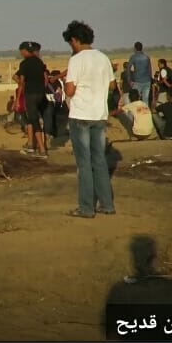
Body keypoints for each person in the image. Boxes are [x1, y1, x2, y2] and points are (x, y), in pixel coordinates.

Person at [62, 20, 115, 218]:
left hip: (80, 115)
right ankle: (107, 204)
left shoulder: (76, 60)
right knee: (100, 161)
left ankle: (86, 208)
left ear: (75, 40)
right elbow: (111, 86)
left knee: (84, 164)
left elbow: (70, 90)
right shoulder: (103, 58)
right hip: (99, 115)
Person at [17, 41, 47, 158]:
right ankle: (30, 145)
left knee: (34, 120)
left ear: (24, 51)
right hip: (40, 94)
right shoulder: (39, 62)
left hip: (31, 94)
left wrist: (17, 99)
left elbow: (22, 82)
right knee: (31, 118)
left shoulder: (24, 64)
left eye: (21, 51)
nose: (20, 53)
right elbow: (44, 79)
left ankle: (42, 150)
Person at [128, 42, 153, 108]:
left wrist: (129, 80)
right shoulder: (146, 57)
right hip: (147, 81)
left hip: (137, 81)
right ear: (142, 48)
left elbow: (128, 69)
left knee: (135, 100)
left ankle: (136, 116)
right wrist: (150, 80)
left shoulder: (133, 57)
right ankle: (146, 116)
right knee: (145, 101)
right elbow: (150, 69)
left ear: (135, 48)